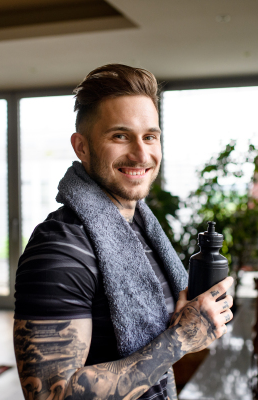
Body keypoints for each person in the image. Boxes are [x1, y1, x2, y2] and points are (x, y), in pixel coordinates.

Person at [13, 64, 234, 400]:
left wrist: (191, 320)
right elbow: (49, 395)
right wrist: (181, 339)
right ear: (82, 147)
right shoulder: (60, 248)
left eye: (150, 136)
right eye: (120, 135)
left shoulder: (141, 231)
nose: (141, 153)